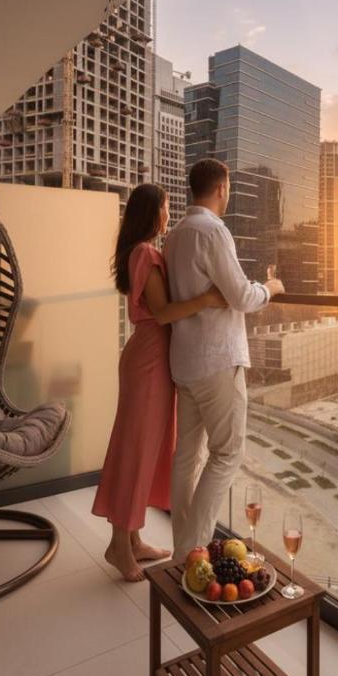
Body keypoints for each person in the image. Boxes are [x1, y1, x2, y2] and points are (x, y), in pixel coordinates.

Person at [92, 183, 228, 581]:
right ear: (153, 212)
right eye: (166, 207)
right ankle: (119, 545)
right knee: (136, 450)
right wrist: (208, 299)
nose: (170, 214)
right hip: (149, 362)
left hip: (150, 359)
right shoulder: (146, 253)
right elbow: (164, 312)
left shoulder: (141, 252)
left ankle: (133, 539)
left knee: (145, 448)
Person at [163, 158, 284, 556]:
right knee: (227, 454)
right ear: (221, 188)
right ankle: (191, 554)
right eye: (228, 188)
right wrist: (270, 287)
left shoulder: (175, 234)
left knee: (187, 458)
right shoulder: (213, 231)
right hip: (216, 360)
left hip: (184, 362)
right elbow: (242, 296)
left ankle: (182, 551)